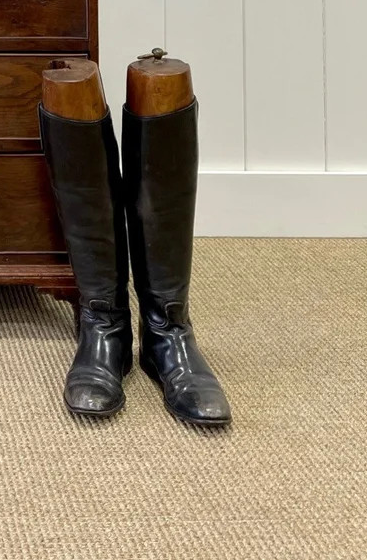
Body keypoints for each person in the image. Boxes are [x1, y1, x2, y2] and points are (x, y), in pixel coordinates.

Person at [39, 48, 232, 426]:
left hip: (170, 327)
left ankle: (168, 331)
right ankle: (105, 327)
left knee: (163, 86)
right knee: (71, 92)